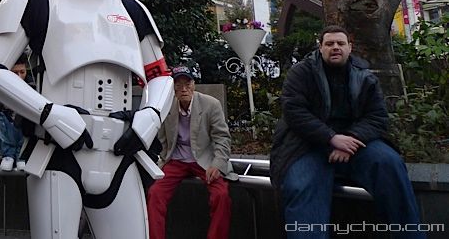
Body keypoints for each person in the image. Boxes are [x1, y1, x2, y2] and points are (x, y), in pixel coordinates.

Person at [0, 0, 174, 238]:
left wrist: (151, 115)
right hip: (57, 152)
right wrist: (49, 114)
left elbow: (160, 75)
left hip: (120, 151)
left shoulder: (131, 9)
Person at [271, 26, 423, 238]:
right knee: (302, 186)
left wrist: (351, 139)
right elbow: (294, 112)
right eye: (329, 43)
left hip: (355, 142)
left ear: (349, 48)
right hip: (308, 144)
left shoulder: (364, 76)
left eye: (340, 43)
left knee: (390, 165)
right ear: (320, 48)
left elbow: (377, 116)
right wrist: (331, 138)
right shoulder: (301, 73)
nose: (335, 47)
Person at [146, 65, 235, 239]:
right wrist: (163, 160)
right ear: (173, 89)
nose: (183, 89)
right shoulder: (167, 107)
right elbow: (162, 138)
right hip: (176, 160)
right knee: (155, 193)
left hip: (205, 159)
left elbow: (222, 137)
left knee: (221, 195)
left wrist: (217, 164)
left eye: (187, 84)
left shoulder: (211, 104)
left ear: (194, 85)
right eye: (178, 85)